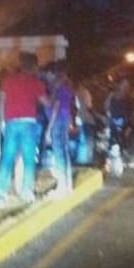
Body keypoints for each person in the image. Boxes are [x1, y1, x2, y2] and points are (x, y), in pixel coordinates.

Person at [0, 52, 48, 206]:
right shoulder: (36, 82)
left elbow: (1, 102)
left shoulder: (8, 81)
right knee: (28, 159)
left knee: (7, 158)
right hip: (28, 124)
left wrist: (2, 122)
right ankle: (26, 191)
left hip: (11, 123)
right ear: (34, 66)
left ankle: (0, 193)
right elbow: (46, 102)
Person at [104, 78, 134, 176]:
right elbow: (106, 108)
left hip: (129, 123)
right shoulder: (112, 96)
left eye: (127, 85)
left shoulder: (131, 96)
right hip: (116, 123)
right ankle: (107, 165)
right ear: (119, 85)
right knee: (112, 142)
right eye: (124, 85)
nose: (125, 87)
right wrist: (110, 117)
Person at [44, 61, 74, 196]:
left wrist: (49, 127)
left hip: (57, 121)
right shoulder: (68, 84)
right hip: (66, 119)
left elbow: (56, 105)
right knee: (65, 151)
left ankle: (62, 186)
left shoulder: (56, 85)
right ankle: (68, 184)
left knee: (58, 153)